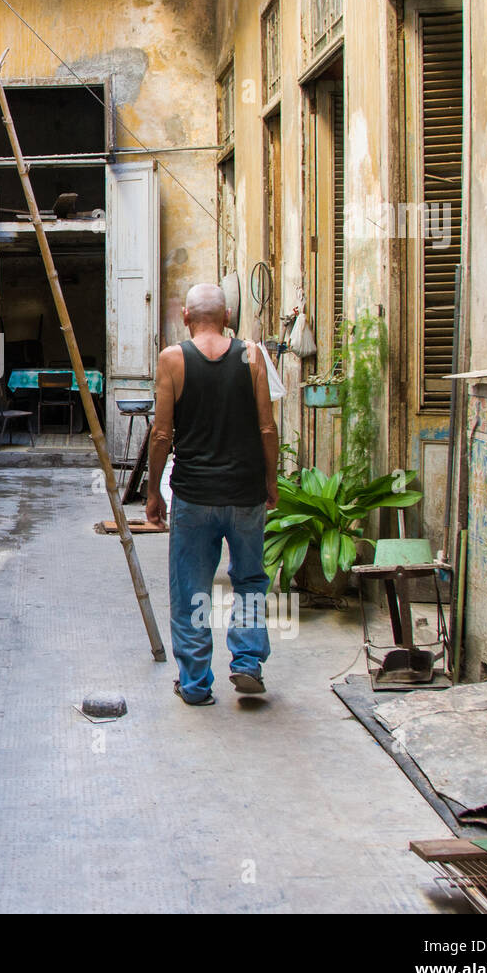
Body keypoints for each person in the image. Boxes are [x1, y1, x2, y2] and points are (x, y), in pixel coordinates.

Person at [144, 283, 279, 705]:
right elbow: (267, 428)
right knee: (250, 580)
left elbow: (162, 433)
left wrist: (153, 492)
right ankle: (246, 662)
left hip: (194, 495)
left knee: (191, 590)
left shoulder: (172, 359)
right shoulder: (252, 355)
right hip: (245, 495)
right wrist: (270, 482)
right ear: (228, 317)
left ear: (186, 316)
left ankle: (196, 684)